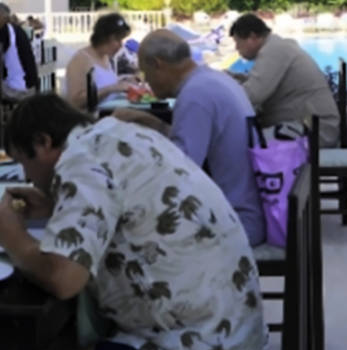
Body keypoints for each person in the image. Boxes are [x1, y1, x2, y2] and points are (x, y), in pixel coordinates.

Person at [0, 94, 268, 350]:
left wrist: (13, 239)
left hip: (191, 345)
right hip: (233, 329)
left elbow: (64, 279)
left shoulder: (81, 160)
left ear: (43, 142)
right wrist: (56, 206)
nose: (27, 175)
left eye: (24, 162)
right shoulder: (118, 135)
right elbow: (128, 207)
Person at [114, 30, 266, 245]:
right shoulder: (213, 80)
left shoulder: (195, 95)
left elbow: (178, 174)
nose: (147, 83)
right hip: (247, 212)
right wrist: (152, 123)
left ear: (158, 64)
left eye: (146, 74)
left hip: (233, 223)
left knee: (122, 240)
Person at [229, 13, 340, 145]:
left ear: (252, 37)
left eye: (238, 42)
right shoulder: (277, 46)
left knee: (240, 143)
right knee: (245, 138)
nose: (236, 48)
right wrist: (230, 78)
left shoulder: (274, 50)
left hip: (316, 131)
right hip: (310, 125)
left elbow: (252, 95)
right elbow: (259, 81)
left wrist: (222, 94)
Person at [63, 13, 135, 111]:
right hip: (92, 117)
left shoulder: (105, 57)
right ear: (104, 38)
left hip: (110, 113)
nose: (120, 45)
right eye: (117, 40)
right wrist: (113, 88)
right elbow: (75, 101)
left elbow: (104, 85)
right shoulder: (80, 60)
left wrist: (125, 82)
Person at [0, 3, 38, 100]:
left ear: (0, 18)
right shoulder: (15, 29)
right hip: (29, 85)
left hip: (17, 89)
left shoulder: (4, 32)